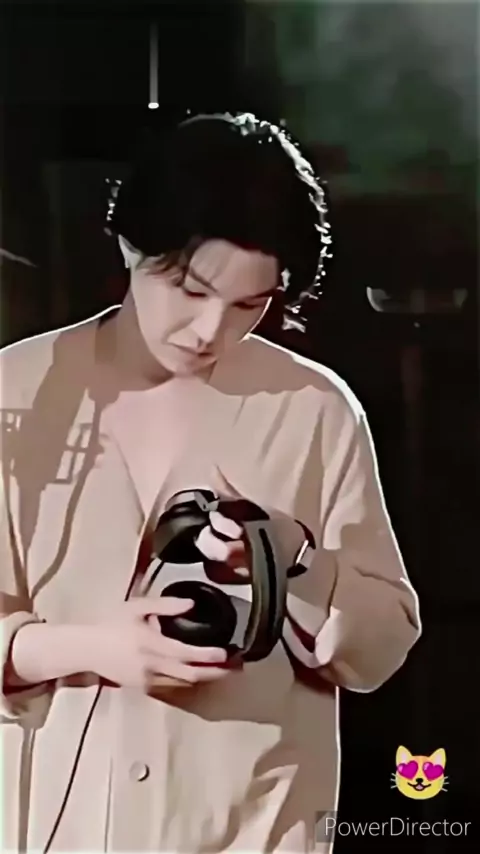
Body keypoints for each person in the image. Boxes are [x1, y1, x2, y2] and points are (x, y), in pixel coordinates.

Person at [0, 111, 420, 853]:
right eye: (189, 289)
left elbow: (382, 646)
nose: (209, 330)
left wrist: (298, 561)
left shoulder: (313, 409)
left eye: (249, 306)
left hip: (253, 829)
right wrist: (85, 647)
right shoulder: (18, 390)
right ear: (132, 244)